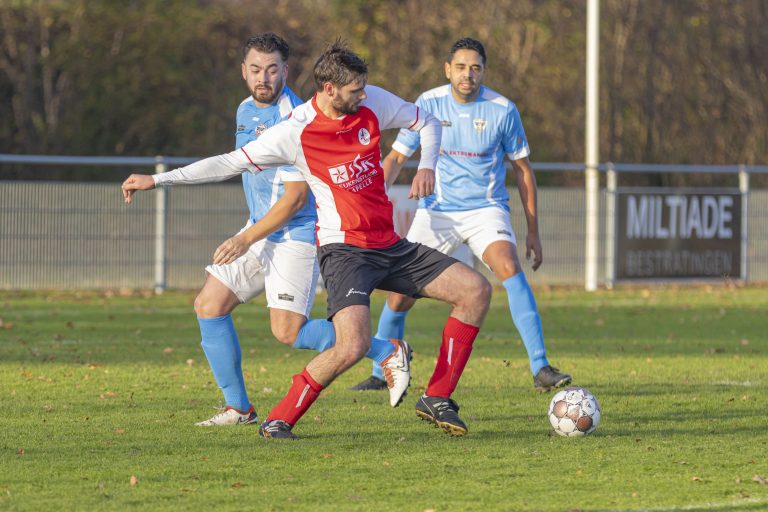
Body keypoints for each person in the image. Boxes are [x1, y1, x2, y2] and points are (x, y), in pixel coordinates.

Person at [123, 40, 492, 439]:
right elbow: (227, 164)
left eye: (364, 88)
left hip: (389, 245)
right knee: (350, 346)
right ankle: (277, 419)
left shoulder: (372, 102)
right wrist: (158, 180)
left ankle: (437, 397)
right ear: (330, 89)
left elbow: (428, 122)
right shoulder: (295, 131)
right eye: (355, 90)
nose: (364, 95)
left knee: (475, 290)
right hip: (345, 252)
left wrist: (428, 166)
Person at [352, 37, 571, 393]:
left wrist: (533, 230)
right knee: (400, 294)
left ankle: (540, 366)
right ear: (447, 69)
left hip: (485, 209)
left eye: (475, 67)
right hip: (436, 212)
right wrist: (367, 199)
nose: (468, 74)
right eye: (461, 67)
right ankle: (381, 372)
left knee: (509, 267)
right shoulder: (428, 103)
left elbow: (523, 170)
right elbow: (395, 158)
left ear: (484, 70)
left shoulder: (502, 109)